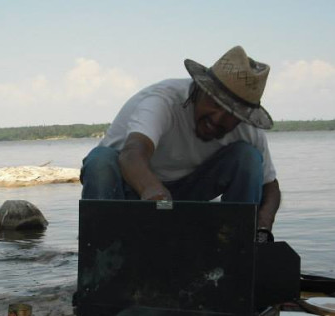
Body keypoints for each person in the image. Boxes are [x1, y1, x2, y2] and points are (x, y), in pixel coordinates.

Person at [80, 45, 280, 243]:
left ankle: (237, 248)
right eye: (215, 103)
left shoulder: (248, 130)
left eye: (231, 114)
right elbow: (132, 155)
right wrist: (158, 199)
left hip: (188, 194)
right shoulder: (162, 101)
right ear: (198, 90)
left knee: (248, 158)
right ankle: (100, 252)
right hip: (129, 189)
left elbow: (270, 187)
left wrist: (262, 224)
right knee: (100, 162)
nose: (218, 119)